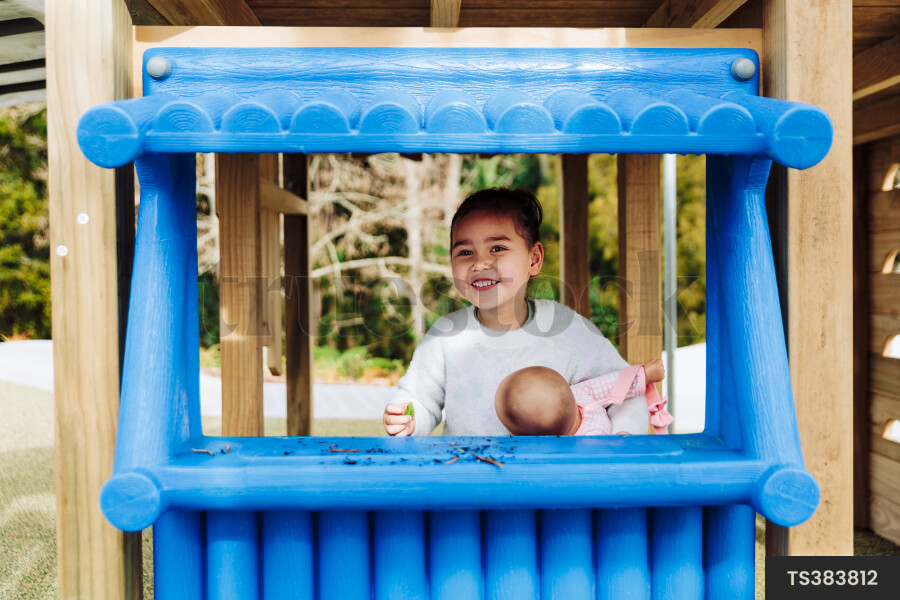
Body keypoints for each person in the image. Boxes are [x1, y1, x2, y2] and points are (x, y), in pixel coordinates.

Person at [382, 187, 648, 437]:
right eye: (465, 252)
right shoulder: (446, 336)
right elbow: (419, 398)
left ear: (534, 259)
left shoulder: (568, 329)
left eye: (497, 248)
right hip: (468, 478)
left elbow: (625, 389)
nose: (480, 262)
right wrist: (409, 418)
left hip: (550, 480)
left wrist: (624, 435)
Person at [494, 359, 669, 436]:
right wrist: (620, 437)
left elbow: (612, 385)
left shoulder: (578, 394)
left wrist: (644, 374)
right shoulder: (589, 442)